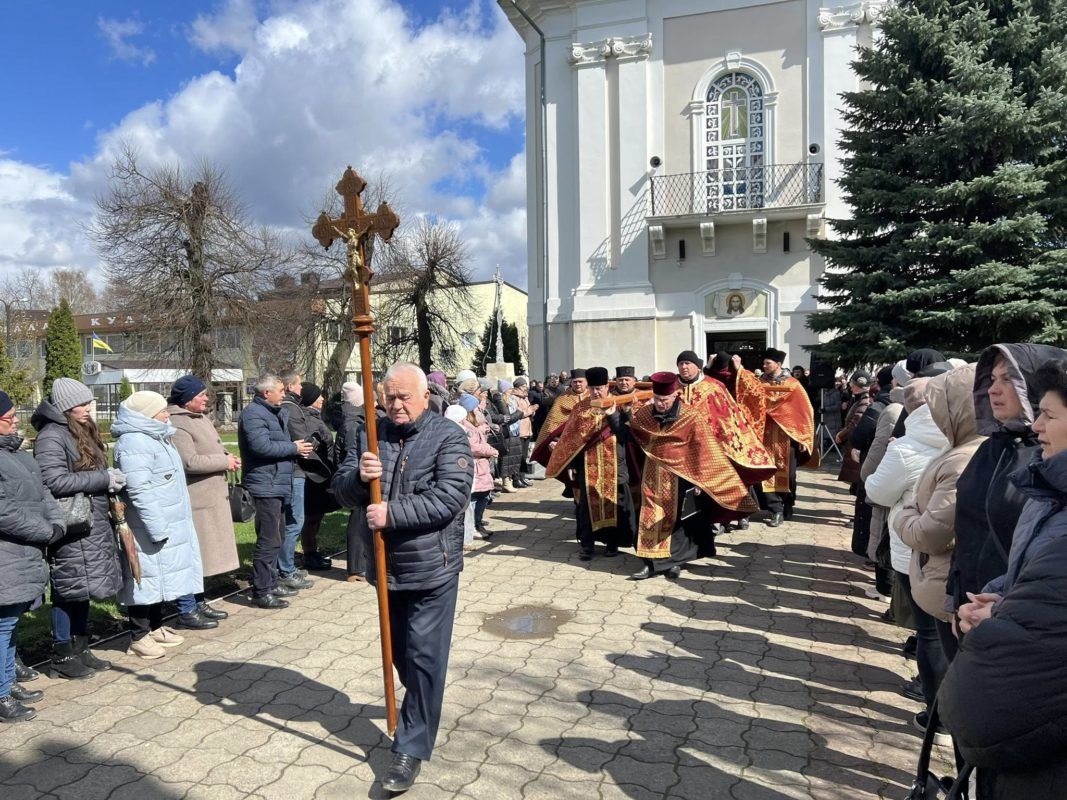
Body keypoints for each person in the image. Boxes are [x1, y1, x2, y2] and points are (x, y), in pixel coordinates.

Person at [332, 362, 473, 793]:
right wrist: (360, 477)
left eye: (403, 397)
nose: (395, 405)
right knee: (402, 655)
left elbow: (451, 496)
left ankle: (409, 748)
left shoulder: (448, 436)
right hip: (385, 569)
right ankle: (424, 703)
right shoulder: (370, 434)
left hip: (433, 568)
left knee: (425, 658)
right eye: (388, 397)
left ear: (424, 397)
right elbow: (340, 487)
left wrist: (391, 513)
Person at [939, 361, 1067, 799]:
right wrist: (997, 595)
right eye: (987, 382)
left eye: (1048, 414)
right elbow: (1024, 564)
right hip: (984, 618)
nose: (1038, 424)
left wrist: (1001, 616)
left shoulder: (1034, 463)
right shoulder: (1033, 470)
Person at [894, 364, 983, 740]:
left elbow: (932, 532)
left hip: (954, 586)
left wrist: (902, 517)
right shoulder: (961, 447)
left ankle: (941, 720)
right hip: (948, 583)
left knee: (943, 656)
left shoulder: (965, 457)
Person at [947, 344, 1067, 616]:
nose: (993, 389)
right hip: (977, 603)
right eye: (991, 379)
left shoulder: (1043, 461)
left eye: (1008, 379)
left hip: (1014, 620)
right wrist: (956, 595)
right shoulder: (992, 446)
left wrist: (1001, 609)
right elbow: (968, 527)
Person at [628, 372, 774, 579]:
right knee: (650, 514)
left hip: (684, 474)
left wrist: (701, 481)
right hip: (653, 474)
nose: (661, 404)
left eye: (665, 400)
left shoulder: (690, 416)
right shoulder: (645, 414)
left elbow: (704, 448)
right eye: (658, 400)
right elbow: (632, 435)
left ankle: (670, 562)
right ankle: (651, 561)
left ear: (674, 397)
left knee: (679, 518)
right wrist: (616, 416)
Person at [32, 377, 124, 680]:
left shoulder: (78, 430)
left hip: (91, 522)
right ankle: (62, 652)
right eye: (81, 404)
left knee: (81, 587)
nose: (88, 408)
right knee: (67, 588)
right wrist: (103, 479)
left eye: (88, 402)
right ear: (64, 407)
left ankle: (81, 647)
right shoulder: (51, 436)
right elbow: (53, 481)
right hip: (71, 525)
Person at [865, 378, 947, 713]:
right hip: (953, 551)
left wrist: (903, 512)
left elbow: (877, 492)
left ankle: (935, 708)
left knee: (930, 631)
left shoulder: (907, 446)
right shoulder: (964, 440)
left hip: (912, 545)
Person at [112, 392, 205, 660]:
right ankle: (139, 636)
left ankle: (154, 627)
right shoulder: (135, 442)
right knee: (144, 578)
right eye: (162, 411)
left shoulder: (156, 437)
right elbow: (139, 489)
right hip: (148, 526)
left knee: (160, 577)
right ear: (147, 415)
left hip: (166, 520)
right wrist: (157, 527)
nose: (167, 415)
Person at [0, 390, 65, 722]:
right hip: (7, 553)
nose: (14, 421)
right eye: (8, 417)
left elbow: (43, 493)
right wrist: (44, 531)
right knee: (3, 623)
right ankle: (0, 693)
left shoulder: (18, 454)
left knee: (12, 622)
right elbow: (4, 512)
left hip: (23, 551)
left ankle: (7, 682)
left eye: (14, 416)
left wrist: (57, 523)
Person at [167, 375, 239, 630]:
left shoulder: (200, 417)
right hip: (197, 500)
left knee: (203, 557)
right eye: (202, 395)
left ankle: (198, 602)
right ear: (187, 399)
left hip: (212, 497)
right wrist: (223, 462)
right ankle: (187, 608)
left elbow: (209, 449)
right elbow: (189, 462)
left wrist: (226, 456)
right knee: (194, 555)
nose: (207, 398)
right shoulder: (177, 423)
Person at [238, 375, 314, 609]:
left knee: (277, 535)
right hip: (265, 484)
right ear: (265, 393)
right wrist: (293, 447)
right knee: (268, 538)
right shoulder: (253, 414)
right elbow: (261, 446)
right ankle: (262, 591)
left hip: (276, 483)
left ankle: (271, 582)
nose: (284, 394)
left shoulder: (273, 412)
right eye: (280, 391)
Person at [544, 367, 634, 561]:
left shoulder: (620, 404)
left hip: (615, 464)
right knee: (586, 507)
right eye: (592, 388)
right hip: (587, 465)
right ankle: (587, 545)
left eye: (600, 388)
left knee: (614, 504)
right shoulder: (581, 407)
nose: (596, 392)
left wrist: (612, 413)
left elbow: (626, 436)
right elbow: (572, 441)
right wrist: (572, 466)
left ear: (607, 385)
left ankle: (612, 544)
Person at [732, 349, 814, 526]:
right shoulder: (758, 383)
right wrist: (739, 369)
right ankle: (774, 509)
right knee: (764, 471)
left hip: (786, 436)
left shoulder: (793, 385)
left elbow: (803, 412)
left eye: (767, 363)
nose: (764, 366)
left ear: (778, 364)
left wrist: (803, 438)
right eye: (764, 363)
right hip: (763, 435)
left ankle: (787, 504)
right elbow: (747, 393)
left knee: (788, 474)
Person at [278, 372, 315, 593]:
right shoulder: (290, 409)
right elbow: (301, 437)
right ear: (291, 386)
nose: (302, 388)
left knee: (294, 520)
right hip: (295, 471)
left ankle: (286, 566)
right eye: (299, 384)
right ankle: (286, 569)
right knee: (294, 521)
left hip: (295, 470)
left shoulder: (291, 406)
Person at [295, 382, 337, 572]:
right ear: (311, 399)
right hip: (313, 474)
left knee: (315, 515)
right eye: (318, 396)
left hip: (320, 472)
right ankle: (310, 553)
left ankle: (312, 551)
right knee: (311, 516)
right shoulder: (308, 418)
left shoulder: (314, 416)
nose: (322, 399)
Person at [836, 370, 875, 556]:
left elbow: (855, 423)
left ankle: (856, 518)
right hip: (852, 445)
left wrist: (842, 434)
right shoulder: (857, 398)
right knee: (855, 484)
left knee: (857, 483)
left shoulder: (864, 401)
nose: (850, 386)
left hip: (855, 446)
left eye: (852, 383)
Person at [335, 381, 370, 583]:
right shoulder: (353, 424)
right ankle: (356, 568)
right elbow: (352, 455)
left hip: (359, 475)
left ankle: (360, 565)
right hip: (356, 478)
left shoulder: (355, 419)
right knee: (357, 521)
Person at [531, 369, 588, 456]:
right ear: (571, 383)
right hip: (568, 441)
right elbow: (552, 420)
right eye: (575, 382)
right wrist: (554, 439)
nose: (577, 384)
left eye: (580, 381)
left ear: (586, 382)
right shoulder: (562, 398)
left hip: (589, 440)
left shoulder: (592, 396)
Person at [511, 377, 535, 487]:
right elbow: (517, 414)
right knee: (518, 456)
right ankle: (516, 479)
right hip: (519, 431)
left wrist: (533, 411)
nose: (525, 388)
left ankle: (522, 477)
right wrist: (530, 410)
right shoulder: (513, 398)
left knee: (524, 456)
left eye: (526, 386)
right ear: (517, 387)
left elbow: (529, 410)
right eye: (523, 386)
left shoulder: (525, 398)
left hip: (527, 430)